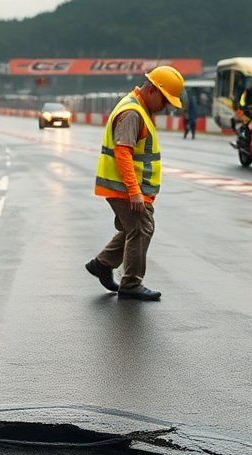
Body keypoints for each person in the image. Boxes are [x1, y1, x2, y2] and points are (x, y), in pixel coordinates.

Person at [83, 65, 184, 302]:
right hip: (125, 188)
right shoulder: (133, 113)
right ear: (152, 90)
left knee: (135, 228)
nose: (165, 107)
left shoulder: (139, 108)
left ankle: (103, 263)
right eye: (165, 100)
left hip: (128, 188)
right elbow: (123, 153)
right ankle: (131, 283)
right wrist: (134, 191)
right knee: (142, 229)